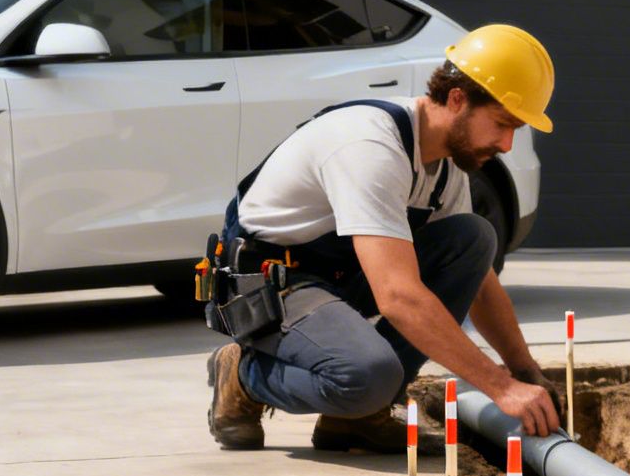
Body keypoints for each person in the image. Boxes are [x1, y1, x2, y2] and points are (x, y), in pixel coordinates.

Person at [204, 23, 562, 452]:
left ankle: (353, 420)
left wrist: (525, 371)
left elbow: (482, 288)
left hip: (332, 278)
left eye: (516, 131)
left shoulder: (444, 169)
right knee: (367, 375)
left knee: (473, 239)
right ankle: (244, 376)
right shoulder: (371, 145)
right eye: (502, 124)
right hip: (271, 283)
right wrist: (501, 388)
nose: (506, 143)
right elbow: (398, 296)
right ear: (457, 99)